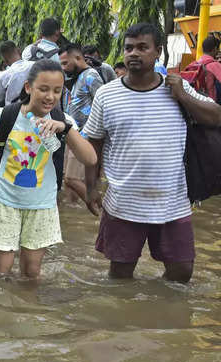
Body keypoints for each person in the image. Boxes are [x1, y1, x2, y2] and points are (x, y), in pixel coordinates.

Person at [83, 23, 221, 283]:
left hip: (173, 201)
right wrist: (91, 187)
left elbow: (216, 117)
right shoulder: (106, 95)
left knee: (182, 273)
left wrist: (182, 96)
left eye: (142, 47)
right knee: (120, 276)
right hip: (124, 203)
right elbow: (94, 144)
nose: (134, 53)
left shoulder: (177, 89)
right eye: (129, 48)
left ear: (157, 51)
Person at [0, 60, 97, 279]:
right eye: (43, 89)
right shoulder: (5, 116)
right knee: (1, 273)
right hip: (4, 201)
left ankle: (28, 310)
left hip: (42, 205)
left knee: (32, 272)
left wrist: (65, 129)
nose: (50, 97)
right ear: (28, 87)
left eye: (57, 91)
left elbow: (90, 158)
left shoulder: (62, 121)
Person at [59, 43, 104, 203]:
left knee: (71, 179)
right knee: (70, 185)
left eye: (65, 63)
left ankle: (101, 209)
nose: (63, 68)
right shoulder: (75, 78)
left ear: (78, 58)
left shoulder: (91, 76)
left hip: (86, 136)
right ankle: (75, 218)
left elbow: (103, 105)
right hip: (72, 133)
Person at [0, 41, 32, 107]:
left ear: (5, 60)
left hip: (13, 112)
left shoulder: (3, 76)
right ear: (19, 50)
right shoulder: (35, 65)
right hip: (35, 107)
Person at [186, 35, 221, 102]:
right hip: (211, 103)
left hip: (197, 101)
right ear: (215, 49)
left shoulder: (195, 64)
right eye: (218, 49)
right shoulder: (214, 65)